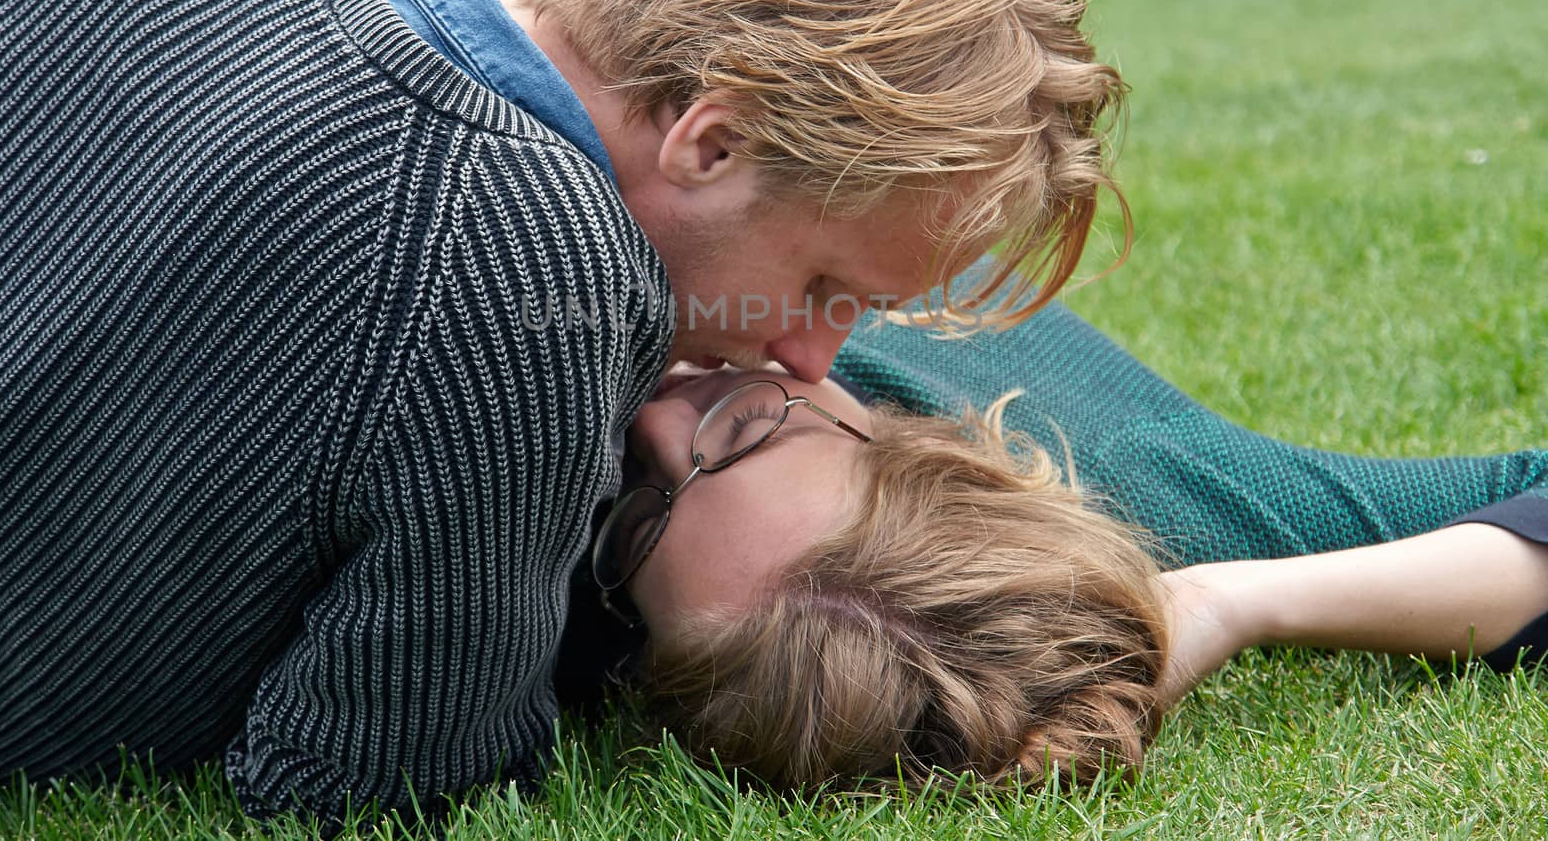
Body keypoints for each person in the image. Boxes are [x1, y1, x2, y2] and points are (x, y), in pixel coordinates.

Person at [0, 0, 1126, 825]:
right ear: (711, 139)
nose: (809, 357)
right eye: (824, 287)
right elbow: (370, 784)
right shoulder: (536, 279)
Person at [568, 280, 1547, 789]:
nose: (650, 417)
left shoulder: (1145, 479)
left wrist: (1230, 599)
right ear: (928, 448)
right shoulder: (1139, 472)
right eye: (742, 420)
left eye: (641, 506)